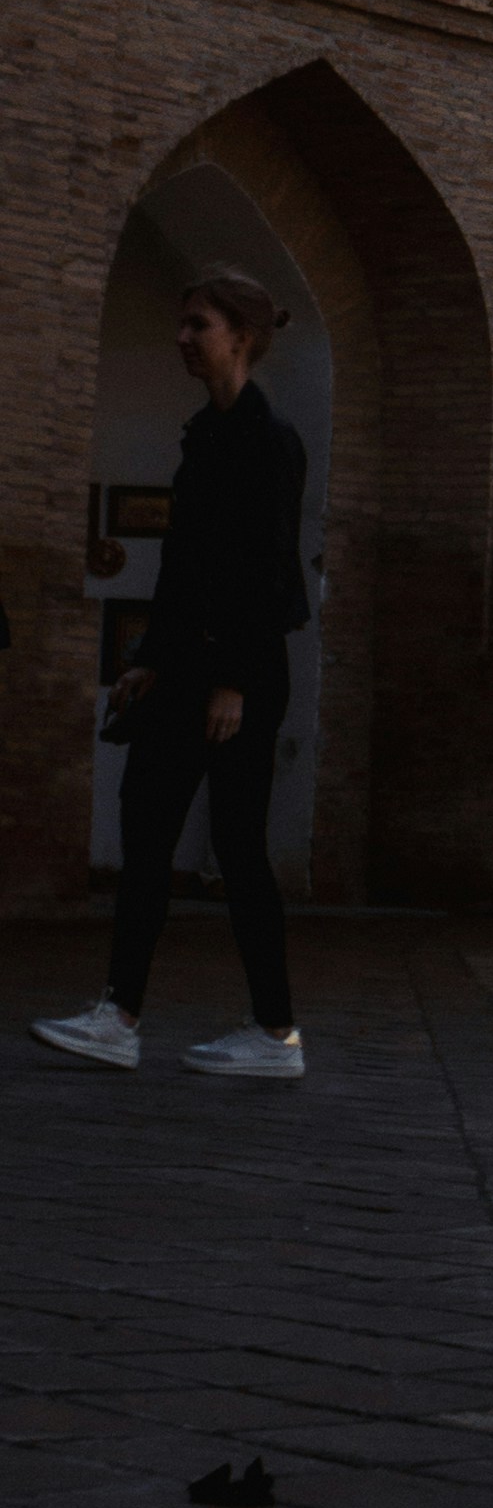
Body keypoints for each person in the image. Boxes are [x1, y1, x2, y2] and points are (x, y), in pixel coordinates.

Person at [36, 273, 311, 1080]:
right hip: (189, 666)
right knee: (149, 830)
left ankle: (274, 1032)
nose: (183, 338)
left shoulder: (271, 440)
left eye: (199, 324)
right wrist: (149, 660)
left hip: (240, 674)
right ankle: (120, 1016)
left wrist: (232, 683)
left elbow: (267, 576)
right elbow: (184, 568)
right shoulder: (205, 437)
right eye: (182, 323)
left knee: (238, 845)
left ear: (242, 337)